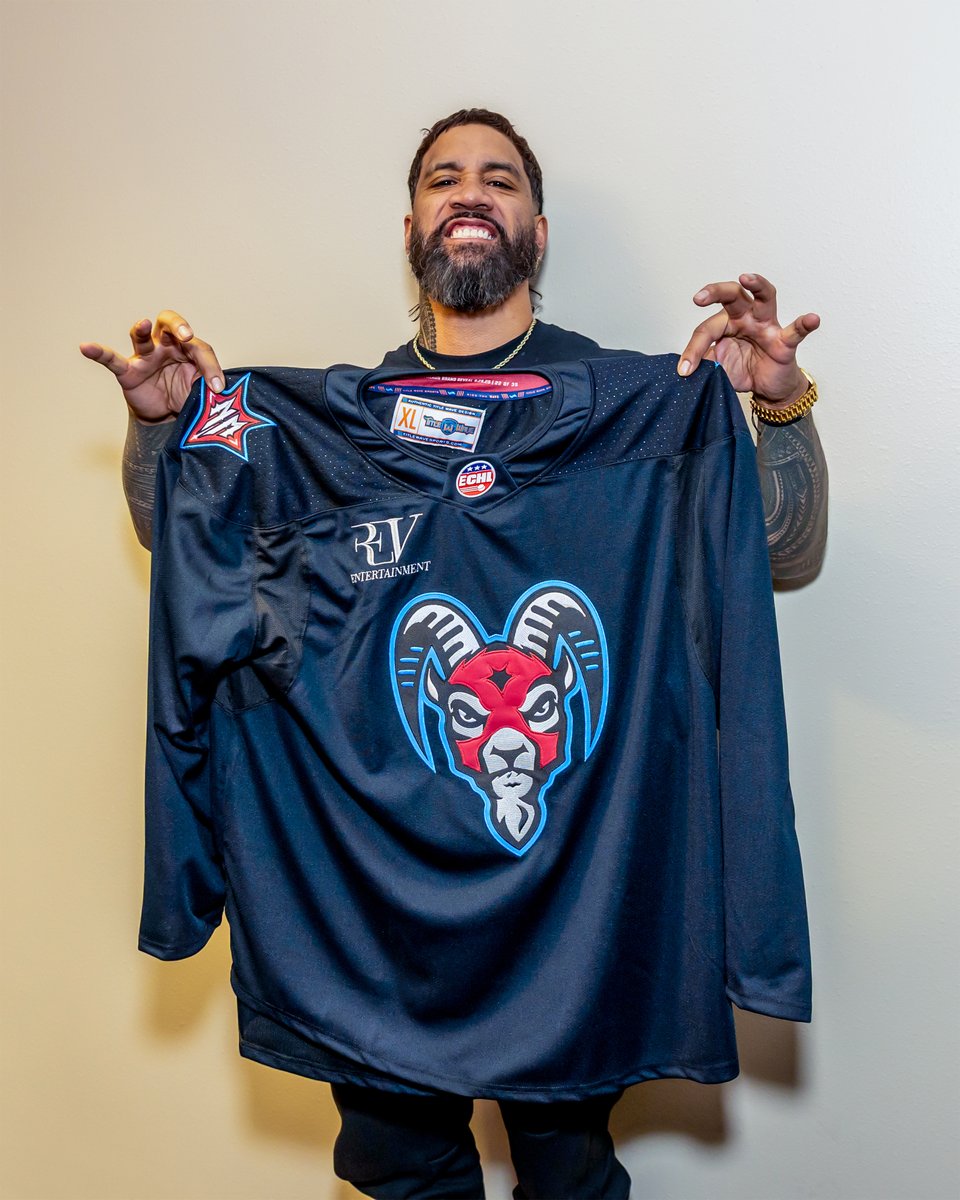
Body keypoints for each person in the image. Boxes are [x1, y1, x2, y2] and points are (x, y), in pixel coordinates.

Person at [81, 110, 823, 1200]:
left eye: (499, 178)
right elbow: (196, 556)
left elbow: (778, 554)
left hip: (580, 892)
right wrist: (168, 433)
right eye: (444, 178)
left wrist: (776, 406)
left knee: (569, 1170)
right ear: (413, 224)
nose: (470, 192)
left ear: (538, 227)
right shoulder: (319, 433)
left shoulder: (641, 409)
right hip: (371, 899)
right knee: (396, 1167)